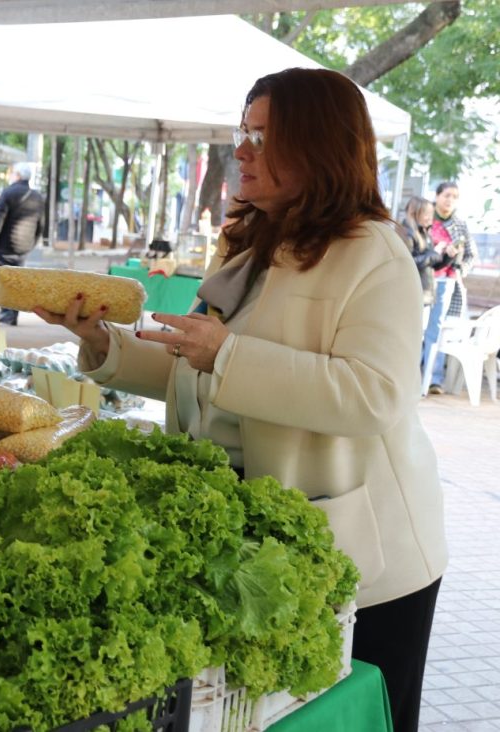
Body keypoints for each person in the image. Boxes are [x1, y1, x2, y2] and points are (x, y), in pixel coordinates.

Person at [38, 68, 446, 732]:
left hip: (367, 560)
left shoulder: (377, 254)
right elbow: (197, 367)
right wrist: (102, 341)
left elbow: (375, 394)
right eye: (242, 132)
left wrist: (227, 355)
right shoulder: (253, 241)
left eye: (262, 135)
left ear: (317, 144)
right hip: (266, 547)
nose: (242, 150)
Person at [423, 181, 479, 393]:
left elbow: (472, 255)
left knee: (438, 329)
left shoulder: (460, 224)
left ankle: (434, 379)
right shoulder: (426, 217)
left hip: (448, 284)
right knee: (421, 329)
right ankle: (419, 374)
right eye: (446, 195)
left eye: (454, 197)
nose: (450, 200)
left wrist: (460, 270)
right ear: (437, 196)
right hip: (425, 281)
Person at [0, 162, 45, 326]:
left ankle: (7, 312)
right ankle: (11, 314)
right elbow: (41, 224)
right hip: (23, 248)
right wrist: (31, 244)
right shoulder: (37, 196)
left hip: (4, 245)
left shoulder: (8, 193)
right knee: (16, 280)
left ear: (17, 175)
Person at [400, 195, 453, 330]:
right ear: (415, 212)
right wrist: (433, 254)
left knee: (419, 336)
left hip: (425, 294)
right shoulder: (405, 232)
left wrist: (447, 256)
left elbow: (432, 265)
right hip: (411, 295)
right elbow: (407, 264)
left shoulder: (424, 232)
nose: (430, 218)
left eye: (431, 214)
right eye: (427, 214)